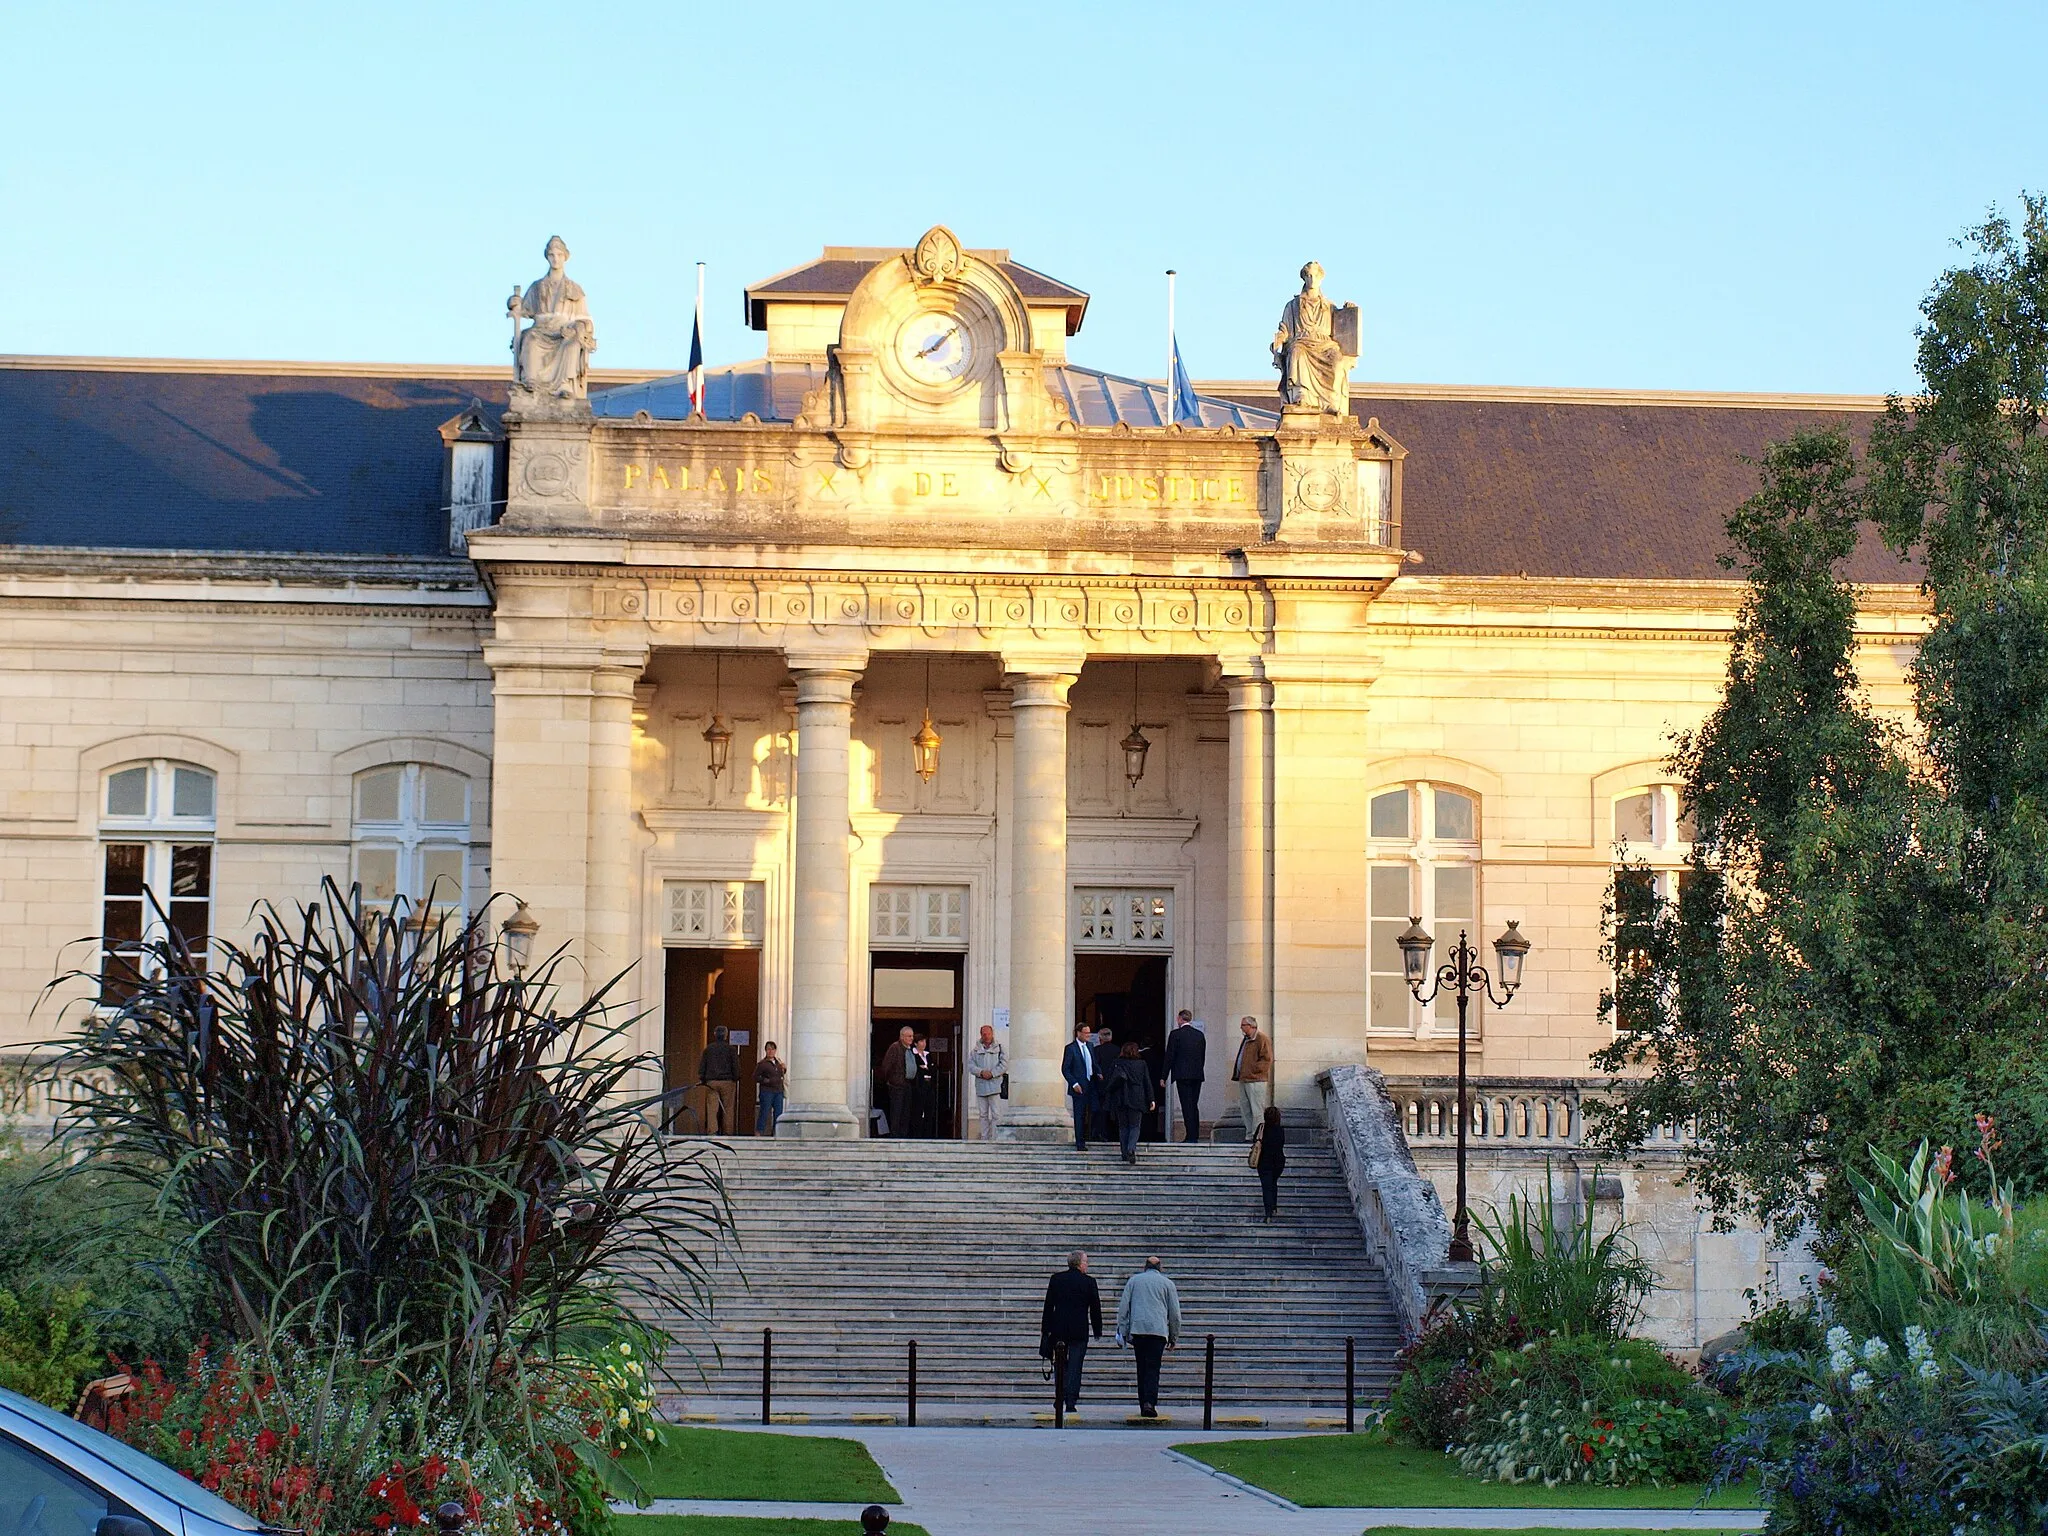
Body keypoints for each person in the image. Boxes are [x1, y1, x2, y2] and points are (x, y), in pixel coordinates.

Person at [1115, 1256, 1182, 1418]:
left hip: (1138, 1330)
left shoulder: (1134, 1281)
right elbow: (1174, 1314)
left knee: (1141, 1367)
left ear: (1144, 1266)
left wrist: (1122, 1331)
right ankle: (1149, 1402)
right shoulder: (1167, 1284)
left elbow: (1124, 1308)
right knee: (1153, 1368)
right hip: (1158, 1331)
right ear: (1160, 1267)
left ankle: (1143, 1401)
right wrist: (1174, 1337)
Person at [1040, 1250, 1103, 1413]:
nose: (1087, 1265)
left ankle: (1059, 1396)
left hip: (1058, 1329)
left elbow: (1048, 1306)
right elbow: (1095, 1308)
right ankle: (1071, 1400)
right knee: (1076, 1365)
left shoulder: (1056, 1279)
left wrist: (1045, 1329)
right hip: (1079, 1330)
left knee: (1060, 1364)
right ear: (1080, 1264)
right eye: (1086, 1262)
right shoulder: (1089, 1282)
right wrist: (1097, 1329)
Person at [1104, 1041, 1154, 1165]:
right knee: (1135, 1126)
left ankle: (1124, 1153)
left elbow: (1109, 1080)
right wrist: (1151, 1099)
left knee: (1123, 1127)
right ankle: (1131, 1148)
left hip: (1120, 1098)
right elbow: (1147, 1082)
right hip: (1137, 1098)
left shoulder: (1117, 1063)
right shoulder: (1141, 1064)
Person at [1164, 1009, 1207, 1143]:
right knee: (1193, 1104)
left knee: (1186, 1105)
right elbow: (1202, 1056)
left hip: (1182, 1075)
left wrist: (1163, 1076)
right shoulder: (1199, 1035)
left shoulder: (1175, 1034)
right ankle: (1195, 1134)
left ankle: (1191, 1136)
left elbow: (1169, 1056)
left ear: (1179, 1019)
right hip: (1197, 1075)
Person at [1231, 1015, 1273, 1137]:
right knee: (1246, 1109)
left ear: (1251, 1026)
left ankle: (1258, 1135)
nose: (1241, 1027)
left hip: (1255, 1080)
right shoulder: (1246, 1039)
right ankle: (1249, 1134)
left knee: (1257, 1109)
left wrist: (1252, 1071)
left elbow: (1266, 1060)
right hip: (1244, 1079)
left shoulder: (1261, 1039)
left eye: (1243, 1025)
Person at [1060, 1023, 1099, 1151]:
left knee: (1095, 1110)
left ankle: (1094, 1135)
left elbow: (1093, 1062)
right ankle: (1080, 1142)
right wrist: (1074, 1084)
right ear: (1078, 1033)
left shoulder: (1090, 1046)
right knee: (1080, 1114)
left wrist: (1099, 1072)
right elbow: (1065, 1069)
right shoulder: (1070, 1048)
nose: (1088, 1035)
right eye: (1086, 1033)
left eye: (1089, 1033)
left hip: (1091, 1085)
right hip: (1079, 1086)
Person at [967, 1024, 1007, 1141]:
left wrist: (992, 1073)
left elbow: (1004, 1064)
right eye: (984, 1034)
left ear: (992, 1034)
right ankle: (984, 1138)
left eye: (988, 1033)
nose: (986, 1036)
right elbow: (970, 1065)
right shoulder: (975, 1050)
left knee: (996, 1114)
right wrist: (981, 1072)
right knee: (983, 1114)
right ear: (981, 1035)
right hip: (981, 1087)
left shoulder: (1000, 1047)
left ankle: (995, 1138)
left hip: (995, 1086)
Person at [698, 1024, 740, 1135]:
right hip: (727, 1081)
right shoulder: (731, 1049)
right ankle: (728, 1132)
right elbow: (735, 1065)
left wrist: (703, 1079)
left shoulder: (708, 1049)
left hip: (712, 1081)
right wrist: (736, 1078)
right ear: (726, 1035)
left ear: (714, 1035)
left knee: (712, 1108)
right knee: (728, 1108)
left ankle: (712, 1131)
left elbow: (703, 1065)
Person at [878, 1025, 915, 1139]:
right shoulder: (895, 1048)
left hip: (907, 1085)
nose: (911, 1038)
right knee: (896, 1112)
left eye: (912, 1036)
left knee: (906, 1112)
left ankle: (903, 1135)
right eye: (909, 1036)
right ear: (902, 1036)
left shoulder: (910, 1050)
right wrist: (891, 1081)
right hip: (896, 1086)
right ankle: (895, 1136)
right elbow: (886, 1067)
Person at [1253, 1103, 1287, 1221]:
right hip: (1278, 1162)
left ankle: (1268, 1213)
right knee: (1273, 1183)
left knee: (1266, 1187)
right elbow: (1281, 1143)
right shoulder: (1280, 1130)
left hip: (1264, 1162)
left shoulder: (1261, 1128)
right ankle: (1274, 1207)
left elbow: (1255, 1140)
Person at [754, 1040, 787, 1136]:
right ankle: (759, 1131)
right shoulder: (762, 1064)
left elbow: (781, 1074)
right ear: (765, 1050)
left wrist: (784, 1069)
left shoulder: (778, 1062)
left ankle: (776, 1132)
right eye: (768, 1049)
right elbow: (755, 1076)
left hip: (778, 1091)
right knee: (764, 1112)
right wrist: (765, 1080)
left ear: (775, 1050)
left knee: (778, 1113)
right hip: (767, 1091)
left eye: (772, 1049)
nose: (770, 1051)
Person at [1090, 1028, 1116, 1142]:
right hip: (1114, 1084)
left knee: (1099, 1110)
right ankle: (1112, 1133)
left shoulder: (1096, 1051)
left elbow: (1093, 1067)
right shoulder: (1118, 1050)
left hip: (1099, 1085)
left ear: (1100, 1039)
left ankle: (1098, 1133)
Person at [910, 1033, 937, 1136]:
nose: (924, 1043)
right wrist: (925, 1069)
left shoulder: (928, 1055)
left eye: (925, 1041)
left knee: (929, 1110)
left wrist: (927, 1068)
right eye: (921, 1041)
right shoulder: (913, 1054)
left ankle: (928, 1134)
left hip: (929, 1087)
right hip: (918, 1087)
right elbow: (916, 1069)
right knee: (917, 1111)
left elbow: (933, 1069)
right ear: (916, 1043)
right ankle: (916, 1134)